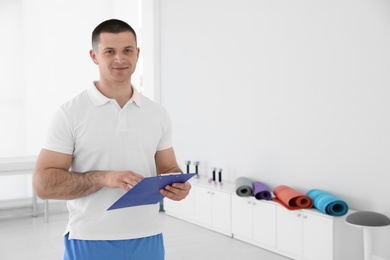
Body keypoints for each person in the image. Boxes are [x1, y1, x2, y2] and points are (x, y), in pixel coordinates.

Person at [33, 18, 191, 260]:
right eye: (110, 52)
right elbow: (43, 185)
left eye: (127, 50)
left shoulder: (157, 113)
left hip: (148, 238)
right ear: (94, 56)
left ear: (137, 54)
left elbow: (169, 168)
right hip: (90, 240)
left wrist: (178, 185)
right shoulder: (70, 113)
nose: (120, 59)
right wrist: (104, 177)